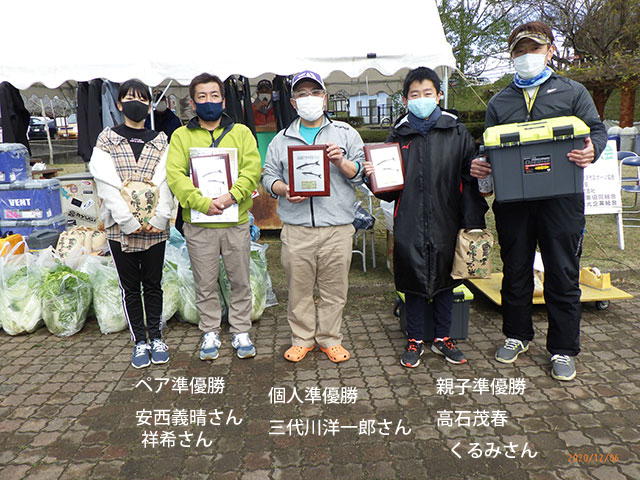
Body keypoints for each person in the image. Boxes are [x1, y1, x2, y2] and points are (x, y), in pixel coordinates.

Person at [470, 22, 607, 381]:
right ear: (511, 56)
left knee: (562, 272)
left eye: (534, 48)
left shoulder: (572, 91)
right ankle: (517, 335)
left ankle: (563, 349)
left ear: (550, 52)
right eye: (520, 50)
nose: (527, 56)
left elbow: (596, 130)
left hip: (561, 199)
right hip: (513, 201)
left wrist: (593, 149)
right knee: (515, 270)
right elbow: (488, 147)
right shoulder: (500, 101)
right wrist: (481, 163)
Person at [363, 67, 488, 368]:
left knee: (446, 280)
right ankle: (415, 338)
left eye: (428, 93)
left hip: (447, 218)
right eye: (415, 94)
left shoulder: (456, 131)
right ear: (406, 100)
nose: (422, 99)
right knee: (413, 281)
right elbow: (389, 190)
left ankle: (444, 337)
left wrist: (478, 174)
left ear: (439, 95)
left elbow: (469, 174)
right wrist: (373, 177)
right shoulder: (398, 135)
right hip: (409, 220)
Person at [262, 70, 365, 363]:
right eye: (302, 94)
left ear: (325, 98)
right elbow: (268, 177)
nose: (309, 98)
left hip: (337, 227)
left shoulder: (345, 134)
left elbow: (361, 174)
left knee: (335, 289)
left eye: (315, 92)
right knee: (299, 289)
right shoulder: (281, 139)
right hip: (297, 228)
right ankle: (302, 338)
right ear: (293, 102)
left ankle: (330, 338)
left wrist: (342, 162)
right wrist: (283, 189)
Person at [166, 73, 261, 361]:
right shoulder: (181, 136)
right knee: (204, 282)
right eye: (202, 97)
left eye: (214, 95)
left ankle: (240, 329)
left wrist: (232, 196)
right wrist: (201, 202)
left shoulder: (241, 133)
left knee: (240, 279)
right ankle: (210, 330)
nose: (209, 101)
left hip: (235, 221)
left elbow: (251, 169)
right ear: (193, 103)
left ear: (223, 100)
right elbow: (175, 175)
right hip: (199, 224)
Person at [89, 79, 173, 369]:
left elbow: (166, 181)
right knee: (130, 287)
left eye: (142, 99)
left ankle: (157, 337)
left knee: (153, 284)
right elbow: (105, 182)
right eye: (129, 98)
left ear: (149, 105)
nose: (135, 103)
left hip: (154, 229)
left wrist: (158, 218)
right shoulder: (107, 139)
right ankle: (139, 340)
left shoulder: (160, 140)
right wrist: (127, 220)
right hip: (119, 227)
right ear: (119, 104)